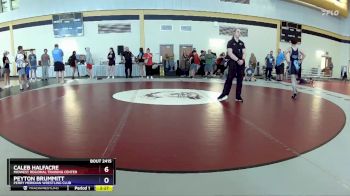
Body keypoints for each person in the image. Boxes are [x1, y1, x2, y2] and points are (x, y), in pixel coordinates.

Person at [217, 28, 246, 102]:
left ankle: (238, 96)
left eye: (240, 32)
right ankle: (224, 94)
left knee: (240, 80)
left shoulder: (242, 43)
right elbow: (230, 53)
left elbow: (244, 53)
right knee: (229, 79)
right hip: (233, 63)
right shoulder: (230, 42)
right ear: (234, 33)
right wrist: (237, 60)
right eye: (238, 32)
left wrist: (242, 60)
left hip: (241, 64)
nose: (239, 33)